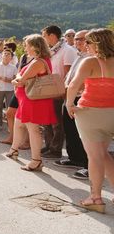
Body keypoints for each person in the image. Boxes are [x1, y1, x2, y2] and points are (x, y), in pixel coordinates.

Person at [66, 28, 114, 212]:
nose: (86, 45)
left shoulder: (90, 62)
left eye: (88, 42)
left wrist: (70, 104)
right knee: (104, 154)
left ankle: (95, 198)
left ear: (97, 43)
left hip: (90, 113)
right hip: (111, 113)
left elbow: (73, 85)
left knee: (94, 157)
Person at [4, 34, 57, 172]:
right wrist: (18, 79)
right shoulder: (39, 60)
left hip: (32, 100)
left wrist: (16, 80)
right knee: (19, 124)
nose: (25, 47)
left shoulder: (38, 62)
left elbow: (21, 79)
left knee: (33, 129)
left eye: (26, 45)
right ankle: (14, 150)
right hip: (27, 99)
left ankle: (36, 160)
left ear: (34, 46)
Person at [55, 30, 90, 177]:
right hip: (70, 96)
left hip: (82, 98)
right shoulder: (78, 55)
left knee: (83, 133)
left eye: (81, 39)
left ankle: (87, 165)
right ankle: (74, 158)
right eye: (76, 39)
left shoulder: (91, 57)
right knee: (70, 130)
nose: (77, 42)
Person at [41, 25, 78, 159]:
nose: (43, 39)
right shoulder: (51, 50)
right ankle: (49, 145)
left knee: (57, 122)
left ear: (52, 35)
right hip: (48, 90)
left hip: (59, 90)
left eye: (44, 36)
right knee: (47, 120)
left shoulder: (67, 50)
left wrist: (61, 90)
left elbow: (68, 73)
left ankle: (56, 149)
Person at [0, 49, 17, 131]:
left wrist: (8, 80)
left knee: (10, 108)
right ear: (2, 56)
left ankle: (10, 125)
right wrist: (0, 77)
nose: (6, 55)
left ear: (11, 57)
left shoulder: (13, 67)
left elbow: (15, 79)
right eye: (5, 54)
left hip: (10, 89)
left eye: (8, 54)